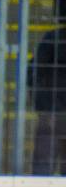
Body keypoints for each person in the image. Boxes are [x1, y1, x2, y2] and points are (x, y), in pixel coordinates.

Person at [29, 10, 66, 175]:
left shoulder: (53, 37)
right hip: (53, 111)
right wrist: (44, 107)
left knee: (43, 163)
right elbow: (34, 72)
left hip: (52, 110)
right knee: (43, 164)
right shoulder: (53, 38)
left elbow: (33, 72)